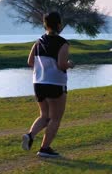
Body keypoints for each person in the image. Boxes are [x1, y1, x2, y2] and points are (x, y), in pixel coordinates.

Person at [22, 12, 74, 158]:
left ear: (45, 24)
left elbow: (30, 62)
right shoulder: (62, 43)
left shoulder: (38, 42)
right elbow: (61, 64)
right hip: (56, 83)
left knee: (44, 115)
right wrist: (70, 64)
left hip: (38, 83)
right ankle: (44, 149)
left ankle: (30, 135)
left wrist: (42, 68)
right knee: (55, 118)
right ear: (59, 25)